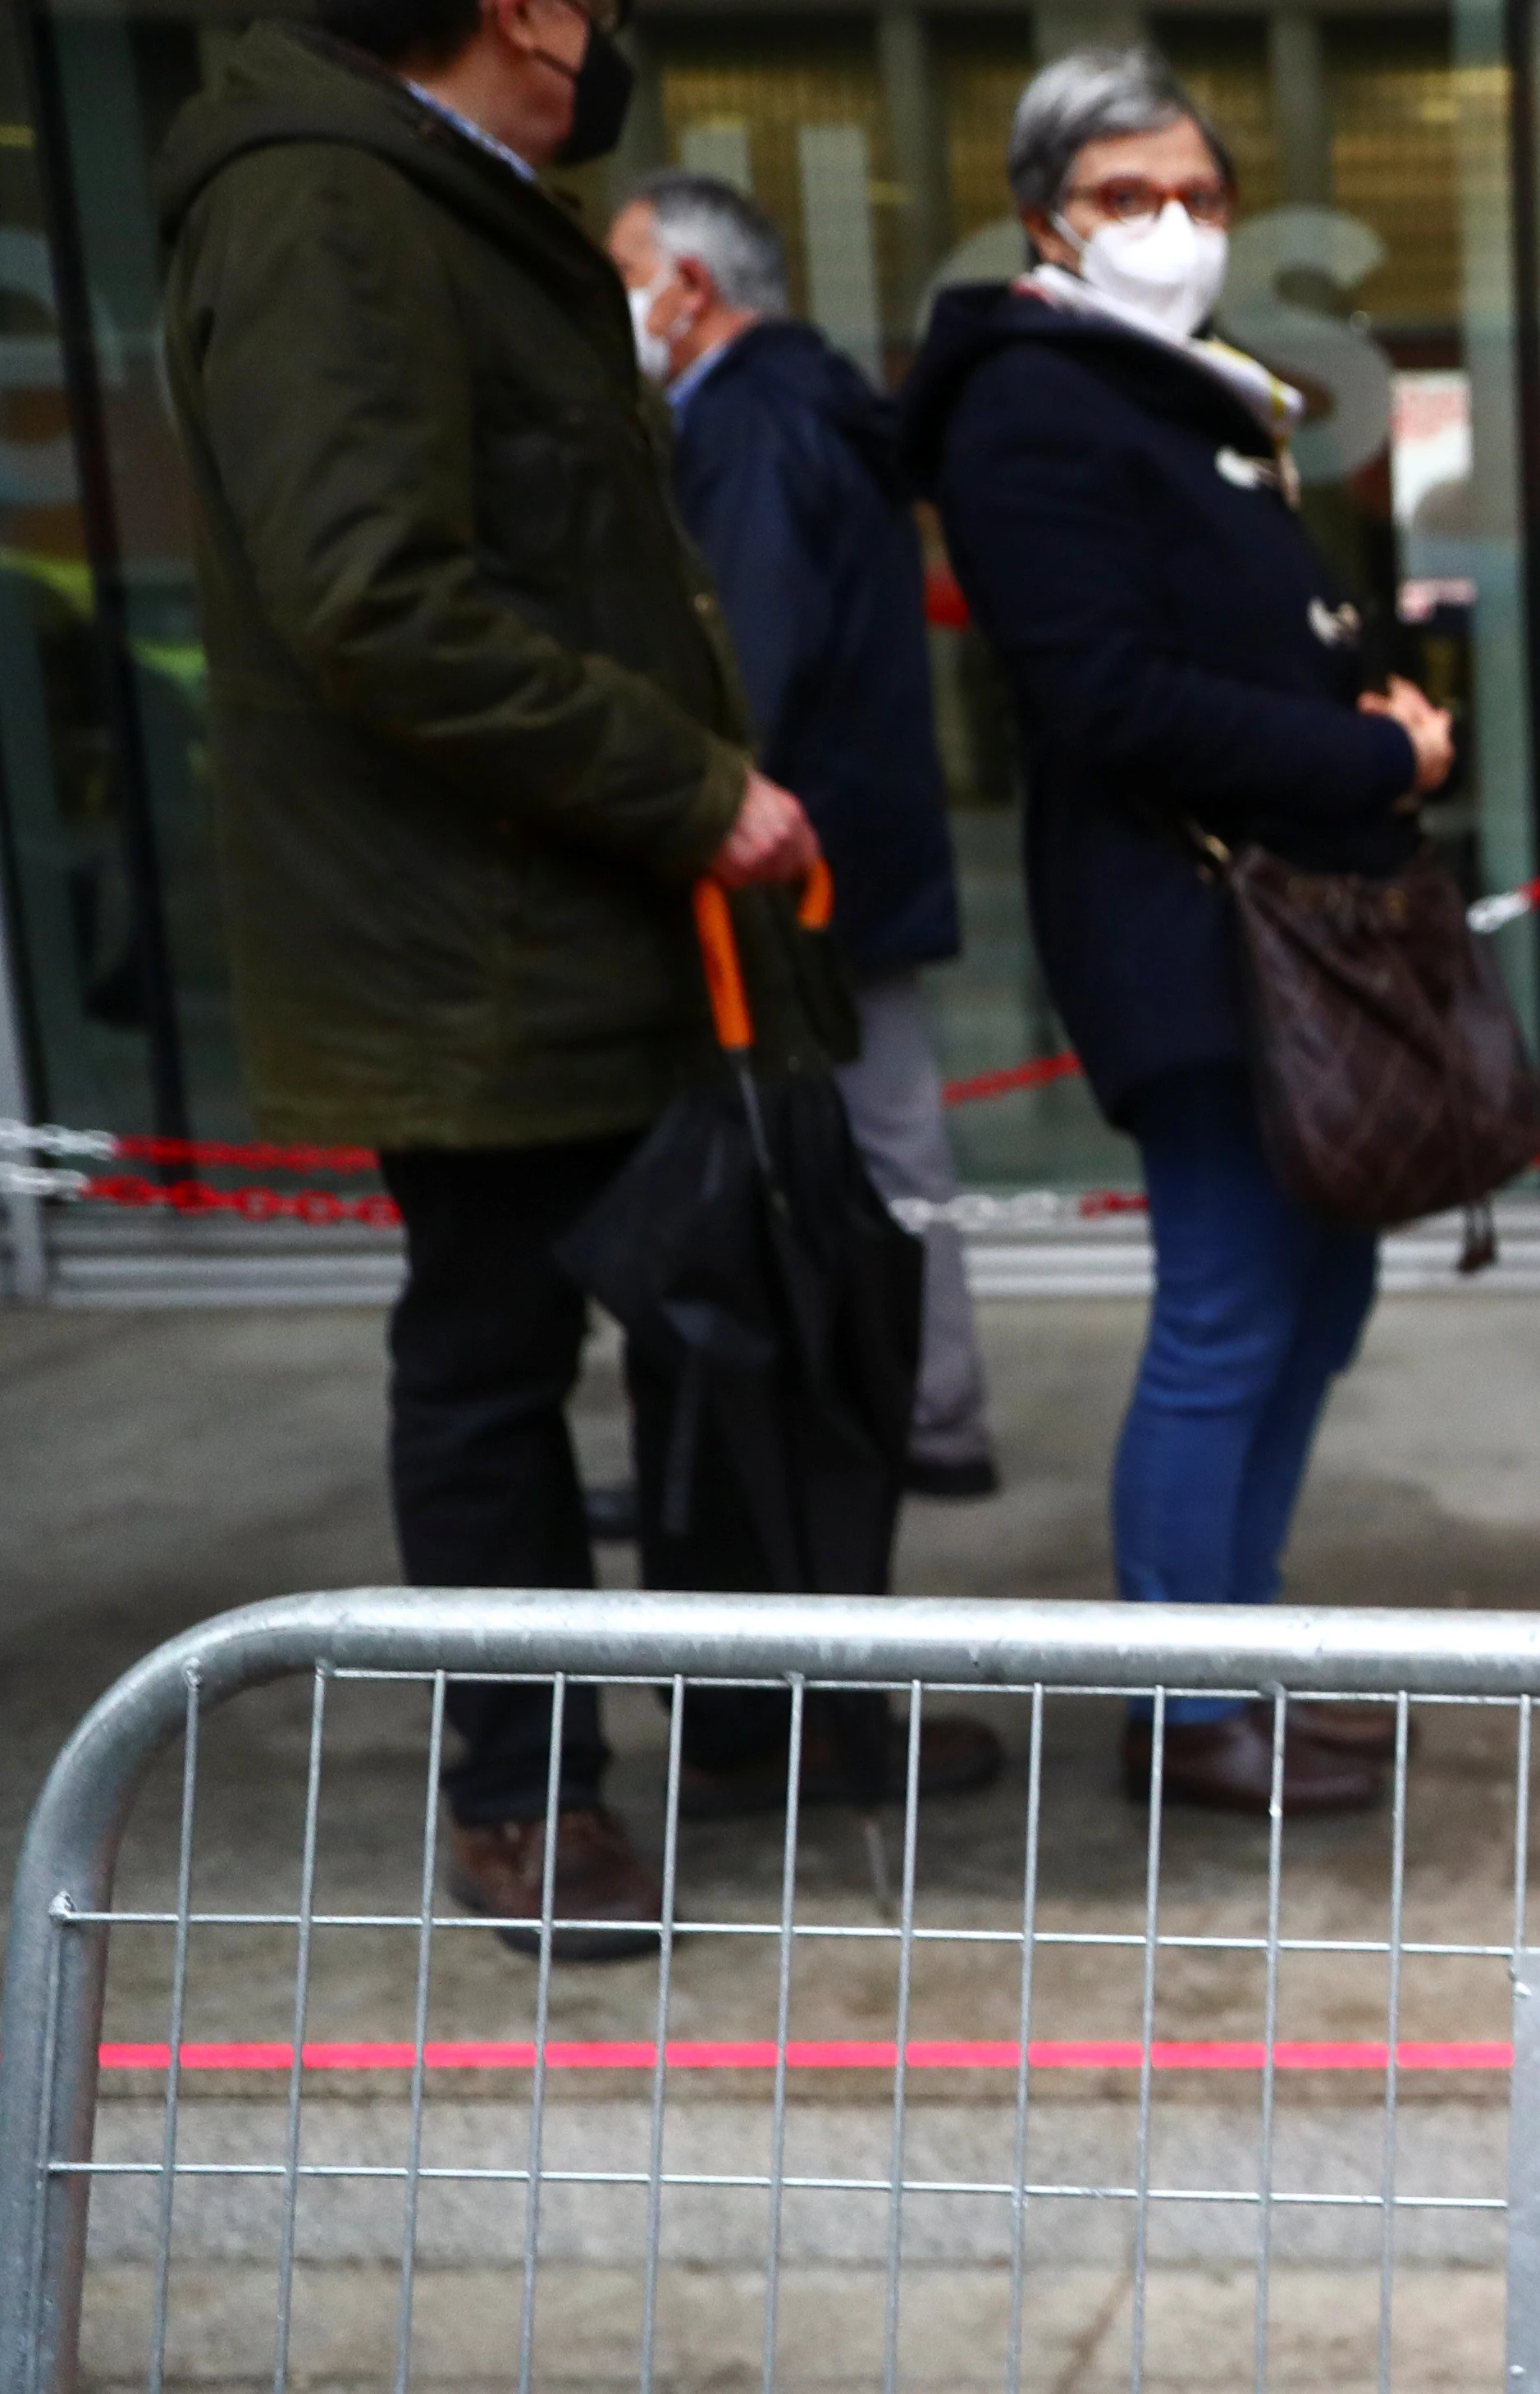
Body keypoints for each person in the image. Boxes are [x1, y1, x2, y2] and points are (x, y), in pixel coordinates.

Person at [157, 0, 902, 1959]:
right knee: (494, 1354)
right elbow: (373, 595)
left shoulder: (475, 204)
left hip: (608, 907)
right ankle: (523, 1789)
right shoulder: (323, 202)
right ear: (521, 15)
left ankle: (749, 1711)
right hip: (474, 933)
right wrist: (688, 789)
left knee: (715, 1311)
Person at [904, 45, 1455, 1819]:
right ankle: (1185, 1701)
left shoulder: (1197, 394)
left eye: (1201, 198)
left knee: (1322, 1290)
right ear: (1043, 221)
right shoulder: (1033, 405)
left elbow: (1234, 646)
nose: (1174, 228)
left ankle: (1248, 1662)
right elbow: (1110, 695)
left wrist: (1363, 697)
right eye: (1131, 198)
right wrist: (1368, 744)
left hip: (1294, 919)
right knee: (1231, 1306)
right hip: (1189, 928)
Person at [613, 172, 1000, 1501]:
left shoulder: (752, 430)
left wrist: (690, 805)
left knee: (822, 1155)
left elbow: (747, 667)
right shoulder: (807, 404)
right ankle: (924, 1408)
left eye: (622, 269)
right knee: (884, 1140)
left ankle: (874, 1421)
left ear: (689, 286)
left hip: (787, 861)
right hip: (843, 848)